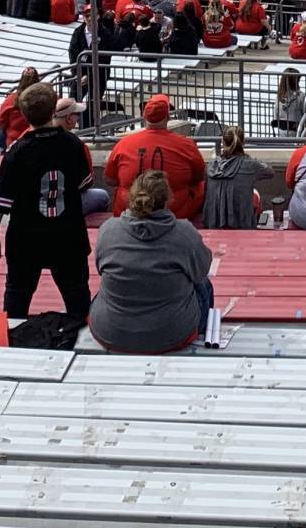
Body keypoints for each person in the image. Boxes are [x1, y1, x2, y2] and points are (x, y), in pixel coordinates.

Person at [0, 82, 93, 321]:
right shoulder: (73, 144)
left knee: (17, 293)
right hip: (67, 232)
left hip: (26, 234)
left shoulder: (17, 151)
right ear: (53, 110)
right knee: (77, 294)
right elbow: (85, 183)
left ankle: (11, 338)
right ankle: (83, 340)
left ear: (24, 115)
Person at [88, 171, 213, 354]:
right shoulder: (184, 233)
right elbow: (202, 270)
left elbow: (101, 268)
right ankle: (204, 329)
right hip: (172, 334)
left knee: (107, 286)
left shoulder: (109, 230)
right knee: (204, 284)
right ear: (167, 200)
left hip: (110, 332)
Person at [105, 95, 208, 223]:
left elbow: (110, 180)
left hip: (128, 211)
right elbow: (199, 176)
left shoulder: (123, 144)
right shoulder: (186, 144)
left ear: (144, 116)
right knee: (201, 186)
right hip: (176, 212)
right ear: (168, 117)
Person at [203, 126, 272, 230]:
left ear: (222, 142)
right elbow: (270, 172)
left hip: (212, 223)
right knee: (255, 194)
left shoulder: (211, 165)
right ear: (243, 142)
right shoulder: (249, 165)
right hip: (242, 225)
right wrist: (250, 159)